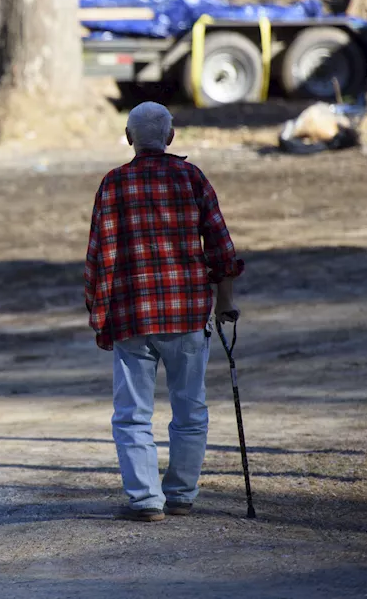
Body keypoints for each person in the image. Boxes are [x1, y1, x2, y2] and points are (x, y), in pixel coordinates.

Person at [84, 102, 244, 522]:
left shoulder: (114, 183)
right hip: (188, 313)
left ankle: (145, 500)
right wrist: (225, 302)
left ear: (128, 136)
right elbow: (222, 248)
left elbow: (99, 257)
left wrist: (100, 316)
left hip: (133, 315)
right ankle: (180, 495)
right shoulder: (191, 178)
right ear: (171, 137)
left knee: (132, 414)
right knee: (190, 409)